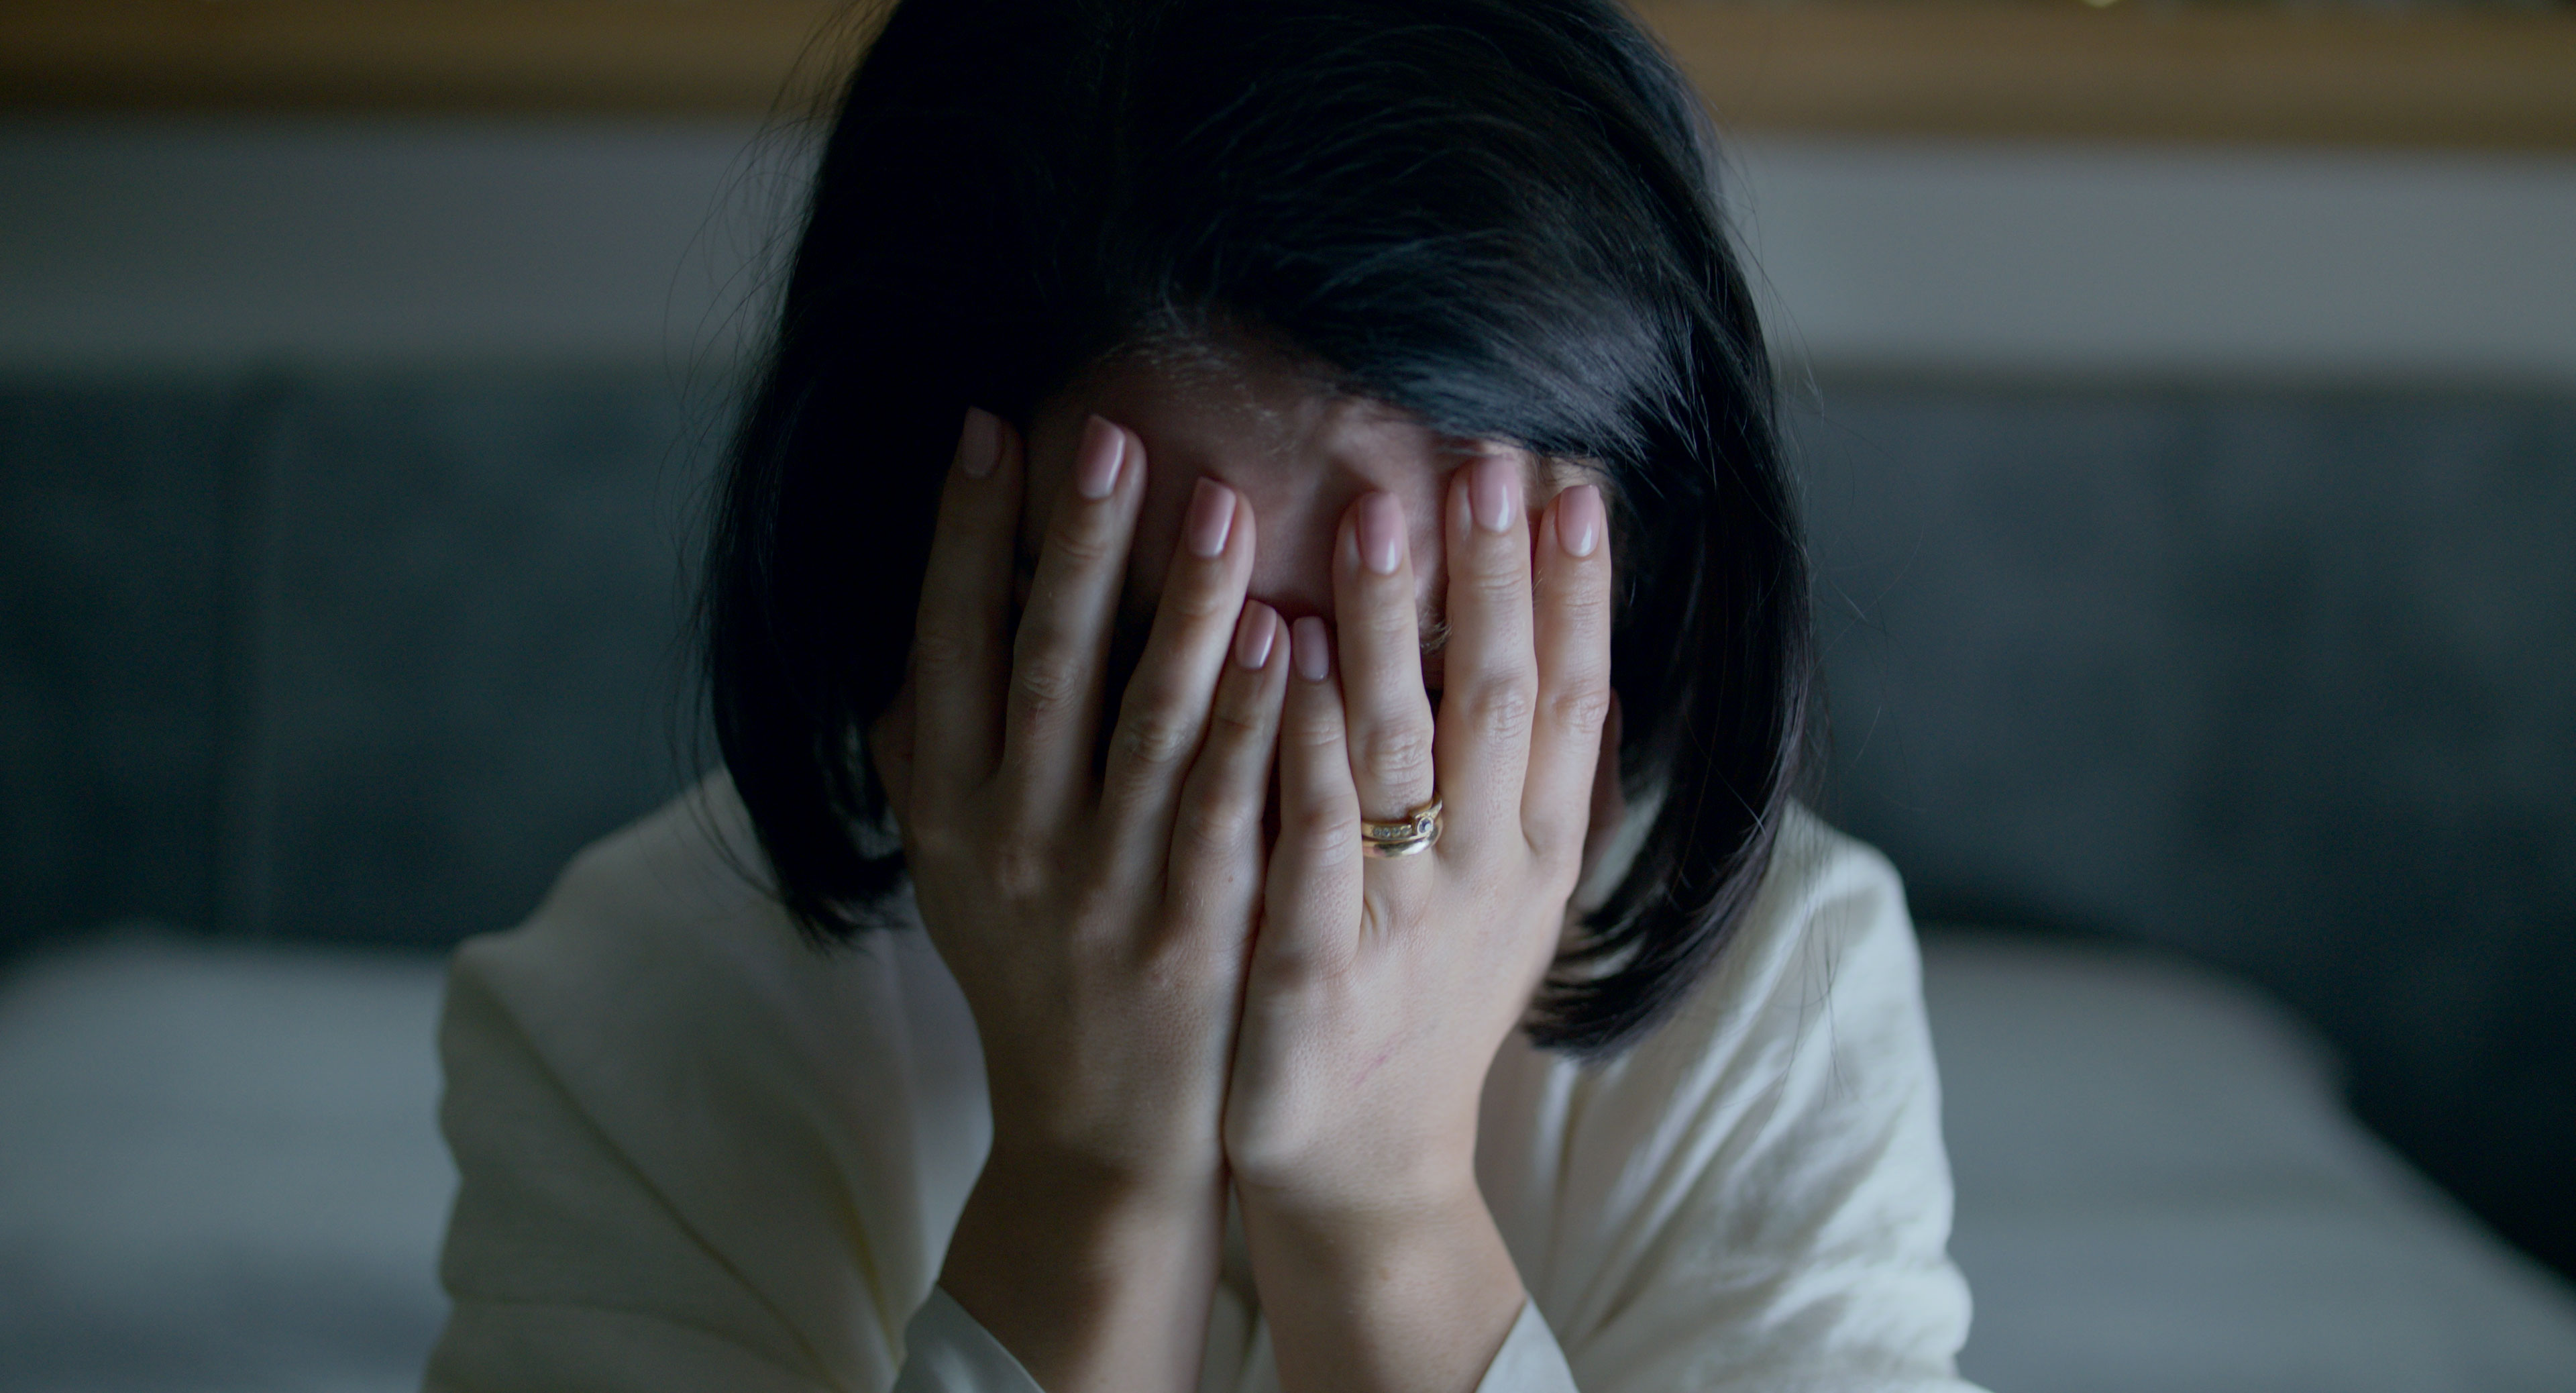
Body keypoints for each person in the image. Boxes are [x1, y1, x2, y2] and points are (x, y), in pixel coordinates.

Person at [425, 1, 1980, 1390]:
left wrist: (1383, 1208)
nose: (1295, 796)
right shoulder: (637, 1015)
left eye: (1425, 650)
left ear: (1617, 593)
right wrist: (1090, 1189)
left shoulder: (1778, 1001)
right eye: (1146, 650)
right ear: (918, 590)